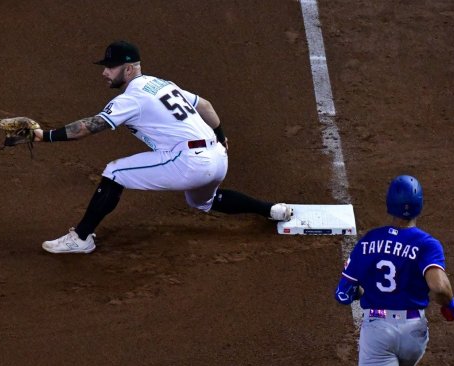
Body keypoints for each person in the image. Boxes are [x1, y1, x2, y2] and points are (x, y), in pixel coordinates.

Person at [26, 40, 293, 254]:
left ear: (129, 68)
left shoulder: (131, 97)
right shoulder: (163, 84)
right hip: (217, 158)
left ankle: (82, 238)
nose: (105, 72)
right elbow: (206, 106)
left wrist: (43, 136)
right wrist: (221, 136)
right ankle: (271, 210)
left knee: (114, 172)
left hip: (189, 162)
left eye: (111, 66)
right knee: (204, 202)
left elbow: (89, 127)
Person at [334, 175, 454, 366]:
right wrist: (449, 306)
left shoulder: (368, 242)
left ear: (389, 204)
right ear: (419, 206)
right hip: (415, 334)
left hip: (379, 333)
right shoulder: (427, 244)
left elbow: (342, 296)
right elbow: (439, 286)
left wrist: (360, 291)